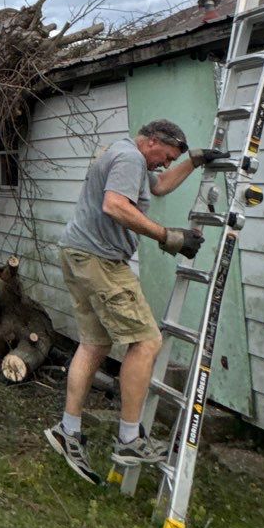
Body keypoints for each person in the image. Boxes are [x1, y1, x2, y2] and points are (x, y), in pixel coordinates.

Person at [44, 117, 221, 485]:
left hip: (77, 252)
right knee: (146, 341)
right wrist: (167, 236)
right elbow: (114, 205)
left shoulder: (125, 154)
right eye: (167, 156)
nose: (165, 164)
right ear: (152, 141)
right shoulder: (130, 159)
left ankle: (68, 430)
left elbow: (157, 188)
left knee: (94, 343)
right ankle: (129, 438)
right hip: (100, 260)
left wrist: (194, 160)